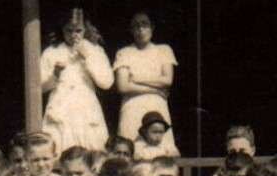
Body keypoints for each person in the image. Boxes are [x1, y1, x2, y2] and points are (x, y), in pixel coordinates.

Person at [37, 13, 115, 162]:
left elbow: (107, 82)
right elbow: (39, 88)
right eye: (69, 30)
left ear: (85, 29)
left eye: (78, 30)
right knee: (60, 152)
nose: (74, 35)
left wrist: (88, 57)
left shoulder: (95, 50)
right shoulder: (51, 52)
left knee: (91, 155)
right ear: (62, 30)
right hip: (61, 107)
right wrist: (55, 75)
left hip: (86, 107)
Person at [110, 11, 179, 145]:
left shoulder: (164, 50)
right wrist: (155, 90)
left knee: (159, 149)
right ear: (131, 30)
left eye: (144, 24)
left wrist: (136, 78)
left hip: (156, 105)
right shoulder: (124, 53)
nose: (140, 30)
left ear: (152, 27)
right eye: (136, 26)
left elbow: (167, 80)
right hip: (132, 106)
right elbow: (123, 86)